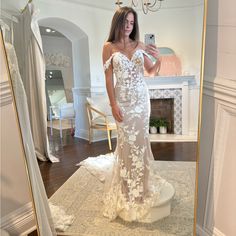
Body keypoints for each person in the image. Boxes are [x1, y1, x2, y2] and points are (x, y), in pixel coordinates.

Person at [100, 6, 171, 222]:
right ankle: (126, 187)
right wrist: (113, 105)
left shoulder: (140, 45)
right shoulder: (108, 47)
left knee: (140, 142)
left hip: (141, 102)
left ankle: (141, 187)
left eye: (131, 23)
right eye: (125, 22)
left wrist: (158, 59)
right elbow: (108, 79)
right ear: (118, 22)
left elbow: (150, 71)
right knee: (125, 143)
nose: (128, 26)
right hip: (122, 102)